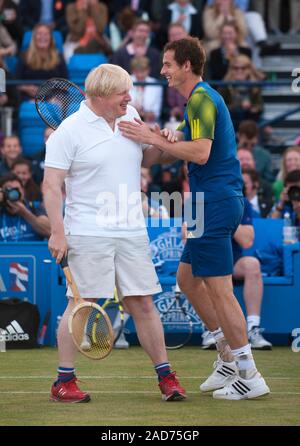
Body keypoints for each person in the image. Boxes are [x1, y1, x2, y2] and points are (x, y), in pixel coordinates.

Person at [118, 37, 270, 400]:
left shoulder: (202, 98)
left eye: (168, 64)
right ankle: (226, 356)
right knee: (187, 279)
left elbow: (200, 154)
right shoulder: (197, 102)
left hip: (215, 201)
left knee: (219, 289)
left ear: (186, 65)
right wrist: (165, 137)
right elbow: (184, 148)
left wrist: (154, 138)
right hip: (205, 202)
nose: (162, 70)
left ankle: (249, 373)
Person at [43, 63, 186, 403]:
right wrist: (57, 232)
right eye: (123, 92)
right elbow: (51, 186)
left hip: (132, 229)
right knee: (80, 304)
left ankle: (166, 377)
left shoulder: (130, 115)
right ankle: (64, 381)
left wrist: (160, 143)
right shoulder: (69, 131)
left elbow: (147, 161)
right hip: (88, 232)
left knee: (143, 303)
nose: (129, 97)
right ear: (103, 94)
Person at [200, 197, 272, 350]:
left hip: (233, 261)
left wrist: (226, 217)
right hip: (209, 259)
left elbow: (246, 240)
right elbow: (188, 237)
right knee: (200, 266)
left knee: (252, 265)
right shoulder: (196, 200)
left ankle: (253, 329)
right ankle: (213, 330)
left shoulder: (241, 202)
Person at [16, 23, 68, 101]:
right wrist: (26, 88)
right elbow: (15, 82)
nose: (42, 37)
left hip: (53, 96)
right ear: (34, 38)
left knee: (58, 101)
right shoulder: (24, 56)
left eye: (46, 34)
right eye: (39, 34)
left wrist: (51, 87)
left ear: (51, 38)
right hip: (29, 96)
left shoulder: (59, 56)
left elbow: (66, 83)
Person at [0, 172, 50, 242]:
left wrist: (25, 213)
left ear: (23, 191)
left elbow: (50, 231)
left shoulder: (35, 208)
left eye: (16, 189)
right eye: (8, 190)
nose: (13, 193)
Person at [220, 55, 265, 130]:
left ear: (249, 70)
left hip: (250, 120)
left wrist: (253, 107)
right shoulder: (224, 86)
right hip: (230, 121)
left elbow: (260, 106)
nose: (239, 71)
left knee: (265, 127)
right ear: (231, 70)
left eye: (243, 68)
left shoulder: (254, 86)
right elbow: (219, 108)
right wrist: (239, 105)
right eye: (236, 68)